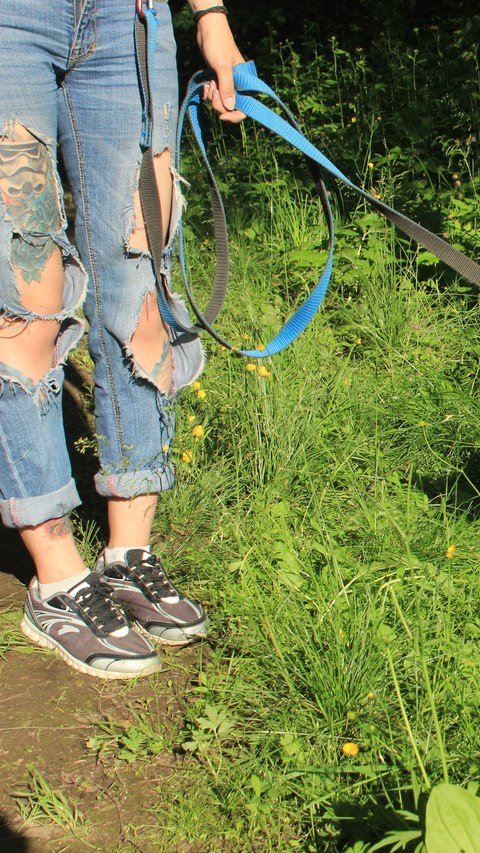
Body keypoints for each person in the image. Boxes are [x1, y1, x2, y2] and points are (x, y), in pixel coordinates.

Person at [0, 0, 246, 678]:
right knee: (26, 289)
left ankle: (128, 553)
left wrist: (210, 15)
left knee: (139, 279)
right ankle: (55, 579)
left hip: (125, 20)